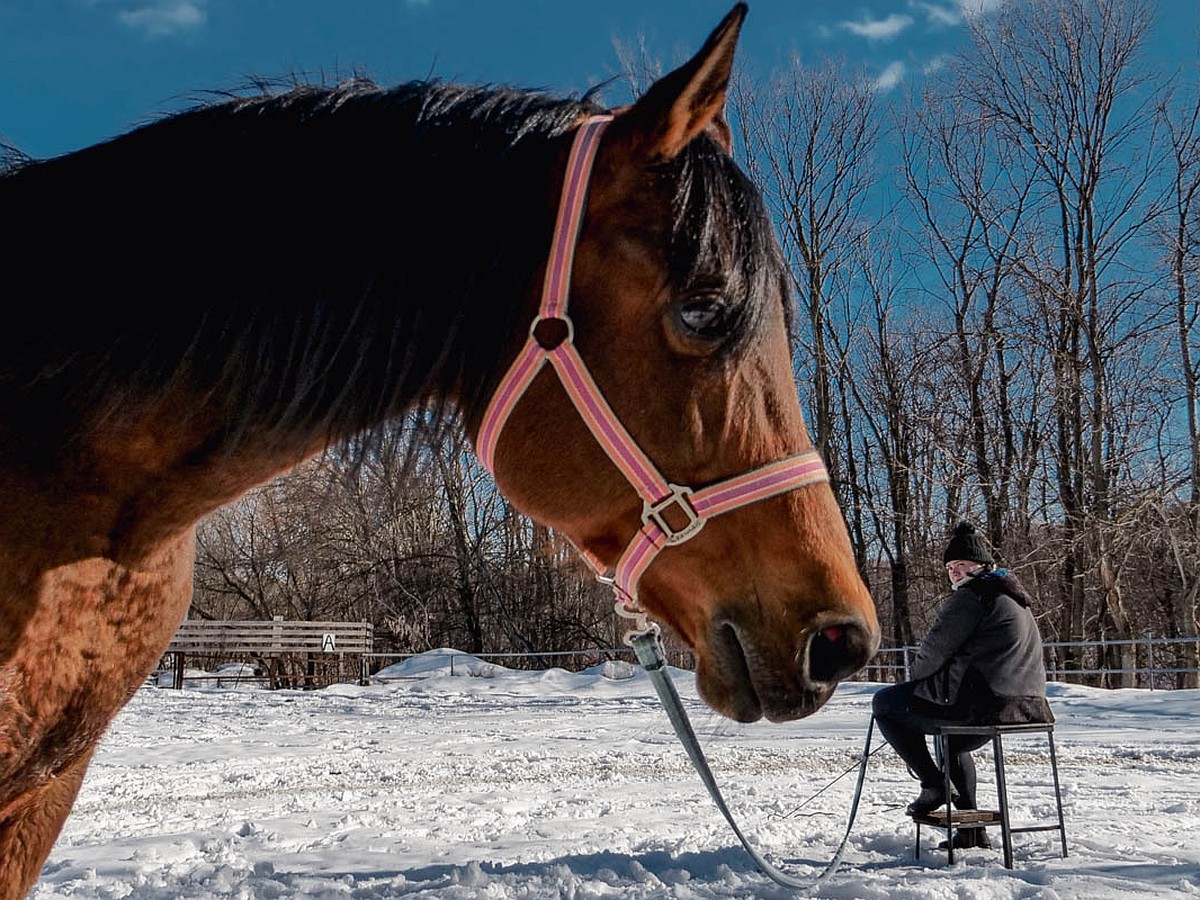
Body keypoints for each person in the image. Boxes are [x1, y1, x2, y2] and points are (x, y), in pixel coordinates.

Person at [872, 521, 1053, 850]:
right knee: (951, 743)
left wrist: (916, 683)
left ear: (982, 566)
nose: (955, 572)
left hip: (986, 704)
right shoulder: (1014, 597)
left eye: (962, 565)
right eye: (950, 567)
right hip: (1028, 705)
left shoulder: (974, 595)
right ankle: (971, 831)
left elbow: (933, 650)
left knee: (885, 703)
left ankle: (932, 784)